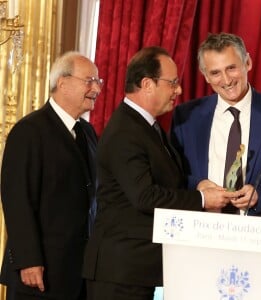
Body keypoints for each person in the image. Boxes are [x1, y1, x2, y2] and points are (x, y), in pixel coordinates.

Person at [82, 46, 238, 300]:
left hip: (138, 270)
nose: (179, 90)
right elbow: (145, 196)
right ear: (147, 84)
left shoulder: (146, 126)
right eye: (173, 83)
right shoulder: (126, 131)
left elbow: (165, 184)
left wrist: (199, 188)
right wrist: (201, 200)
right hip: (120, 273)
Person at [0, 51, 102, 300]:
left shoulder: (87, 132)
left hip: (78, 272)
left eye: (98, 82)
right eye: (89, 81)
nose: (96, 89)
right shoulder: (29, 131)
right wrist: (28, 260)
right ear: (62, 83)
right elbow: (17, 199)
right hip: (39, 274)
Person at [171, 32, 261, 217]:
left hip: (260, 231)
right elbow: (171, 173)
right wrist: (198, 186)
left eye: (231, 68)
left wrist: (260, 194)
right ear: (205, 76)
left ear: (247, 62)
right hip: (200, 228)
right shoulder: (187, 116)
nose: (226, 80)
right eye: (215, 72)